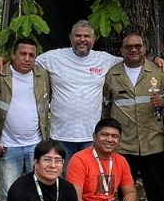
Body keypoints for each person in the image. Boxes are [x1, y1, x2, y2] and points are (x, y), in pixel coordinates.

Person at [101, 31, 164, 201]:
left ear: (145, 48)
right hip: (123, 146)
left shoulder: (158, 71)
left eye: (137, 46)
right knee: (123, 190)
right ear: (122, 50)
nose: (133, 50)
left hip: (153, 142)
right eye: (128, 47)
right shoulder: (113, 74)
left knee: (158, 190)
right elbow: (106, 107)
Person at [32, 20, 121, 158]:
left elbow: (130, 60)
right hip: (61, 136)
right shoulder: (53, 57)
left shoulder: (104, 59)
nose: (82, 39)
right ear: (70, 38)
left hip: (92, 137)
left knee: (88, 178)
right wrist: (2, 59)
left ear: (94, 39)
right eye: (78, 36)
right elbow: (25, 61)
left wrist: (156, 58)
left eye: (87, 36)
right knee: (64, 178)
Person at [0, 36, 52, 201]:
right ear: (13, 55)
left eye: (31, 55)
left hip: (36, 145)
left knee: (36, 192)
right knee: (9, 195)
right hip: (8, 146)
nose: (27, 58)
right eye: (22, 54)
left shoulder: (42, 75)